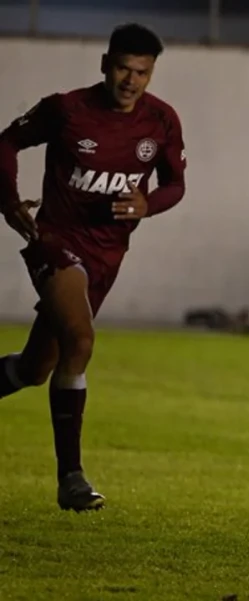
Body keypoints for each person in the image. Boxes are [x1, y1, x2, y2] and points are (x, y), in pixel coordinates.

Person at [0, 23, 187, 510]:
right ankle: (72, 479)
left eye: (142, 72)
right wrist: (8, 202)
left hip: (108, 254)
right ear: (105, 64)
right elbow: (5, 143)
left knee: (35, 367)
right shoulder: (67, 110)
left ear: (151, 74)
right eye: (124, 68)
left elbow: (174, 185)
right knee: (80, 342)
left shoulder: (162, 121)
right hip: (55, 241)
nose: (131, 80)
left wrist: (149, 204)